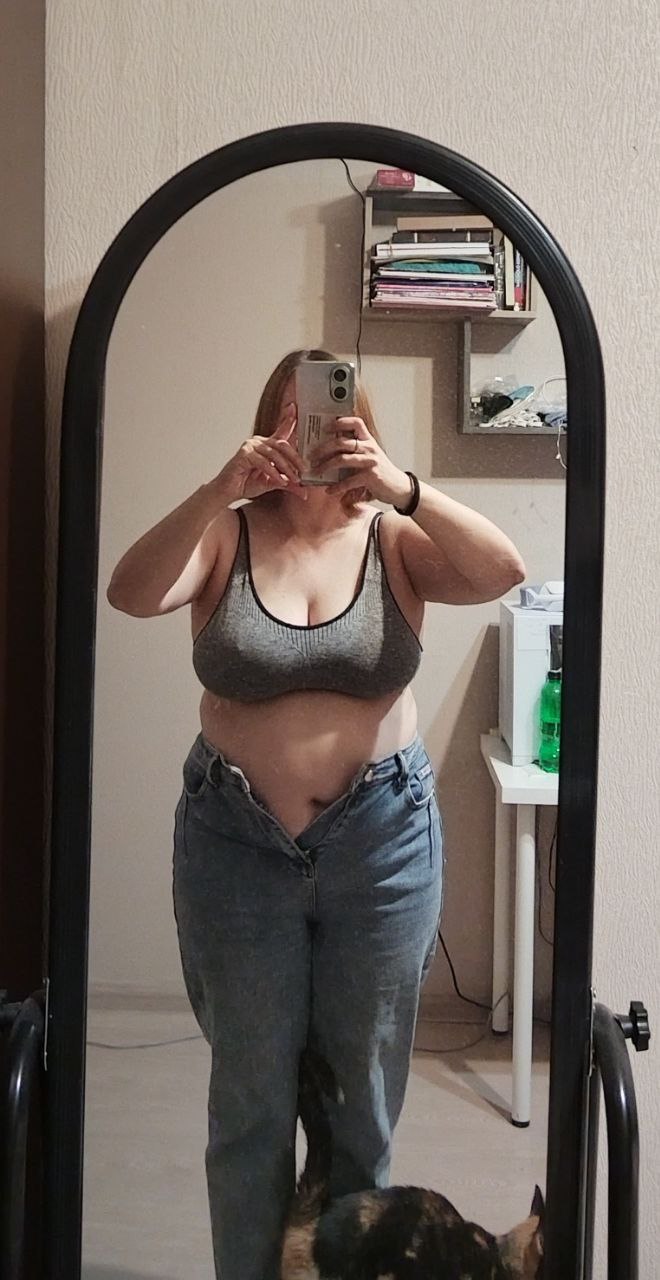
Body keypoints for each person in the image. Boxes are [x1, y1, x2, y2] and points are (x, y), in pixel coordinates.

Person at [107, 347, 526, 1280]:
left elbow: (503, 569)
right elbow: (129, 593)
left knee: (360, 1108)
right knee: (250, 1101)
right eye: (291, 415)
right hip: (236, 844)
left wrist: (402, 486)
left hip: (381, 846)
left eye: (330, 415)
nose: (308, 433)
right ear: (269, 420)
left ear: (358, 422)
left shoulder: (393, 538)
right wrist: (218, 487)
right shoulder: (226, 533)